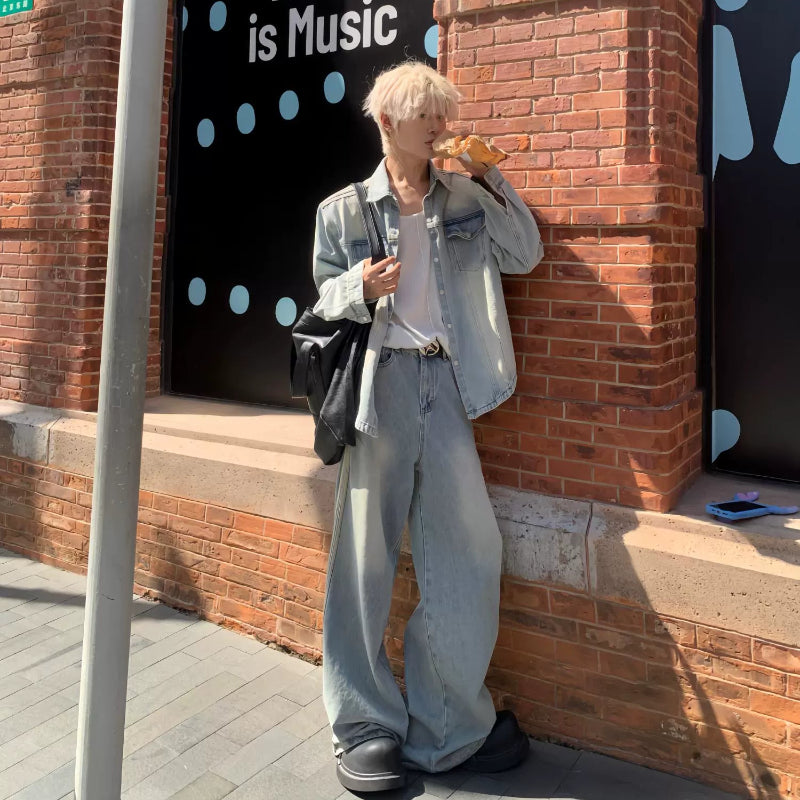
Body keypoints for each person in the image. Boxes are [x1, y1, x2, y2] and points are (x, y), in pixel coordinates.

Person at [311, 61, 544, 792]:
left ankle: (447, 726)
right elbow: (321, 299)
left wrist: (492, 177)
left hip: (447, 383)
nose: (441, 127)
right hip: (379, 387)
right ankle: (363, 724)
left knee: (470, 550)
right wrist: (359, 286)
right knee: (364, 557)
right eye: (427, 116)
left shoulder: (465, 196)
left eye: (445, 114)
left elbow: (525, 254)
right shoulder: (345, 211)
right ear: (387, 122)